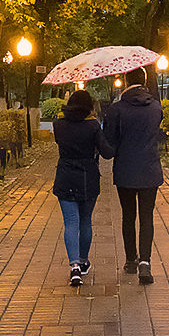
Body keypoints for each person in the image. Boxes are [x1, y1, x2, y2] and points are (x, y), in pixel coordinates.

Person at [103, 66, 164, 285]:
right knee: (147, 216)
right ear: (144, 80)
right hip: (149, 169)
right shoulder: (156, 107)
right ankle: (145, 263)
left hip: (126, 170)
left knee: (128, 215)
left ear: (127, 82)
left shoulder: (117, 109)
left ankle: (130, 260)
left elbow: (109, 141)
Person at [53, 90, 114, 287]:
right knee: (85, 221)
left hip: (65, 177)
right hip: (88, 177)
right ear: (88, 107)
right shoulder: (93, 126)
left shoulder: (59, 126)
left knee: (71, 222)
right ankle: (84, 261)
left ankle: (74, 267)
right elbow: (106, 153)